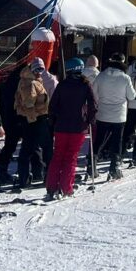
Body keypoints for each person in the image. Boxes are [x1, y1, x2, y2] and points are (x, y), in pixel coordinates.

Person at [46, 59, 97, 199]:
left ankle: (51, 187)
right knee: (70, 157)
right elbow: (93, 105)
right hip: (78, 127)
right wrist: (90, 121)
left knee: (57, 156)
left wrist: (53, 120)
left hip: (61, 126)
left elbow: (52, 106)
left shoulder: (62, 85)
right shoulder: (85, 85)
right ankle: (66, 187)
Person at [92, 54, 135, 179]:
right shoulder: (125, 78)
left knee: (99, 140)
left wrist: (101, 101)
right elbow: (131, 96)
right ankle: (114, 167)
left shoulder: (101, 76)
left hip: (103, 113)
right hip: (119, 115)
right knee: (117, 141)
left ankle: (91, 165)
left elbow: (94, 93)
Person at [14, 62, 50, 188]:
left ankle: (34, 174)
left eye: (42, 69)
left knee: (31, 148)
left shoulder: (33, 80)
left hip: (33, 119)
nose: (40, 72)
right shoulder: (30, 83)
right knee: (30, 148)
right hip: (34, 120)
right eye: (37, 69)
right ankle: (24, 177)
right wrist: (33, 120)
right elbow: (28, 104)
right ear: (32, 69)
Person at [0, 58, 26, 186]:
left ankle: (2, 172)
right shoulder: (21, 83)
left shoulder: (7, 83)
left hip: (9, 119)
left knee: (9, 147)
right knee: (28, 147)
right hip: (18, 118)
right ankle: (24, 172)